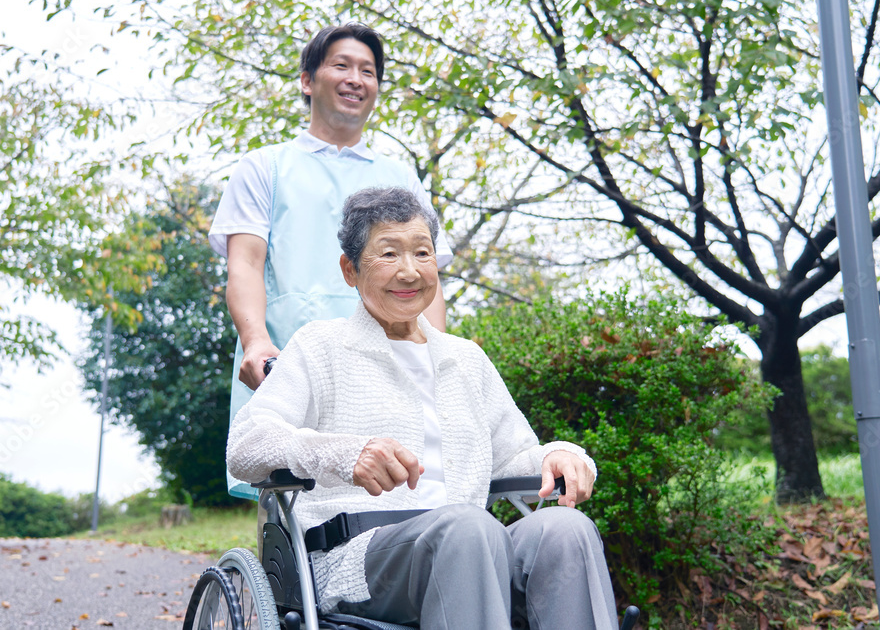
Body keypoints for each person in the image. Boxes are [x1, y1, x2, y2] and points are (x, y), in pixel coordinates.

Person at [227, 188, 619, 629]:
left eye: (422, 253)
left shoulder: (464, 359)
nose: (409, 271)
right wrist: (343, 453)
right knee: (467, 529)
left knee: (566, 531)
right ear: (350, 270)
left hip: (473, 548)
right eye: (389, 253)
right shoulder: (320, 346)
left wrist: (557, 455)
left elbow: (511, 458)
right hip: (357, 558)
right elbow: (246, 444)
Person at [208, 23, 453, 500]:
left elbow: (428, 279)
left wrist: (439, 356)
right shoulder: (265, 167)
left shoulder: (400, 176)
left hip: (387, 362)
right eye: (341, 65)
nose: (355, 78)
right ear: (307, 80)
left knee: (396, 494)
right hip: (290, 364)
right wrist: (256, 342)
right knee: (292, 503)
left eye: (368, 71)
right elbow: (245, 265)